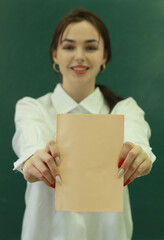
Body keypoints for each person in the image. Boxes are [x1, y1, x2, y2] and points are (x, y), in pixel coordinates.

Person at [12, 8, 156, 240]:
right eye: (69, 46)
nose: (79, 56)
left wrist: (140, 156)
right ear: (55, 55)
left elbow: (136, 137)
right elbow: (31, 141)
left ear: (104, 57)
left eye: (91, 47)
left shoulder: (123, 109)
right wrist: (33, 161)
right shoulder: (32, 108)